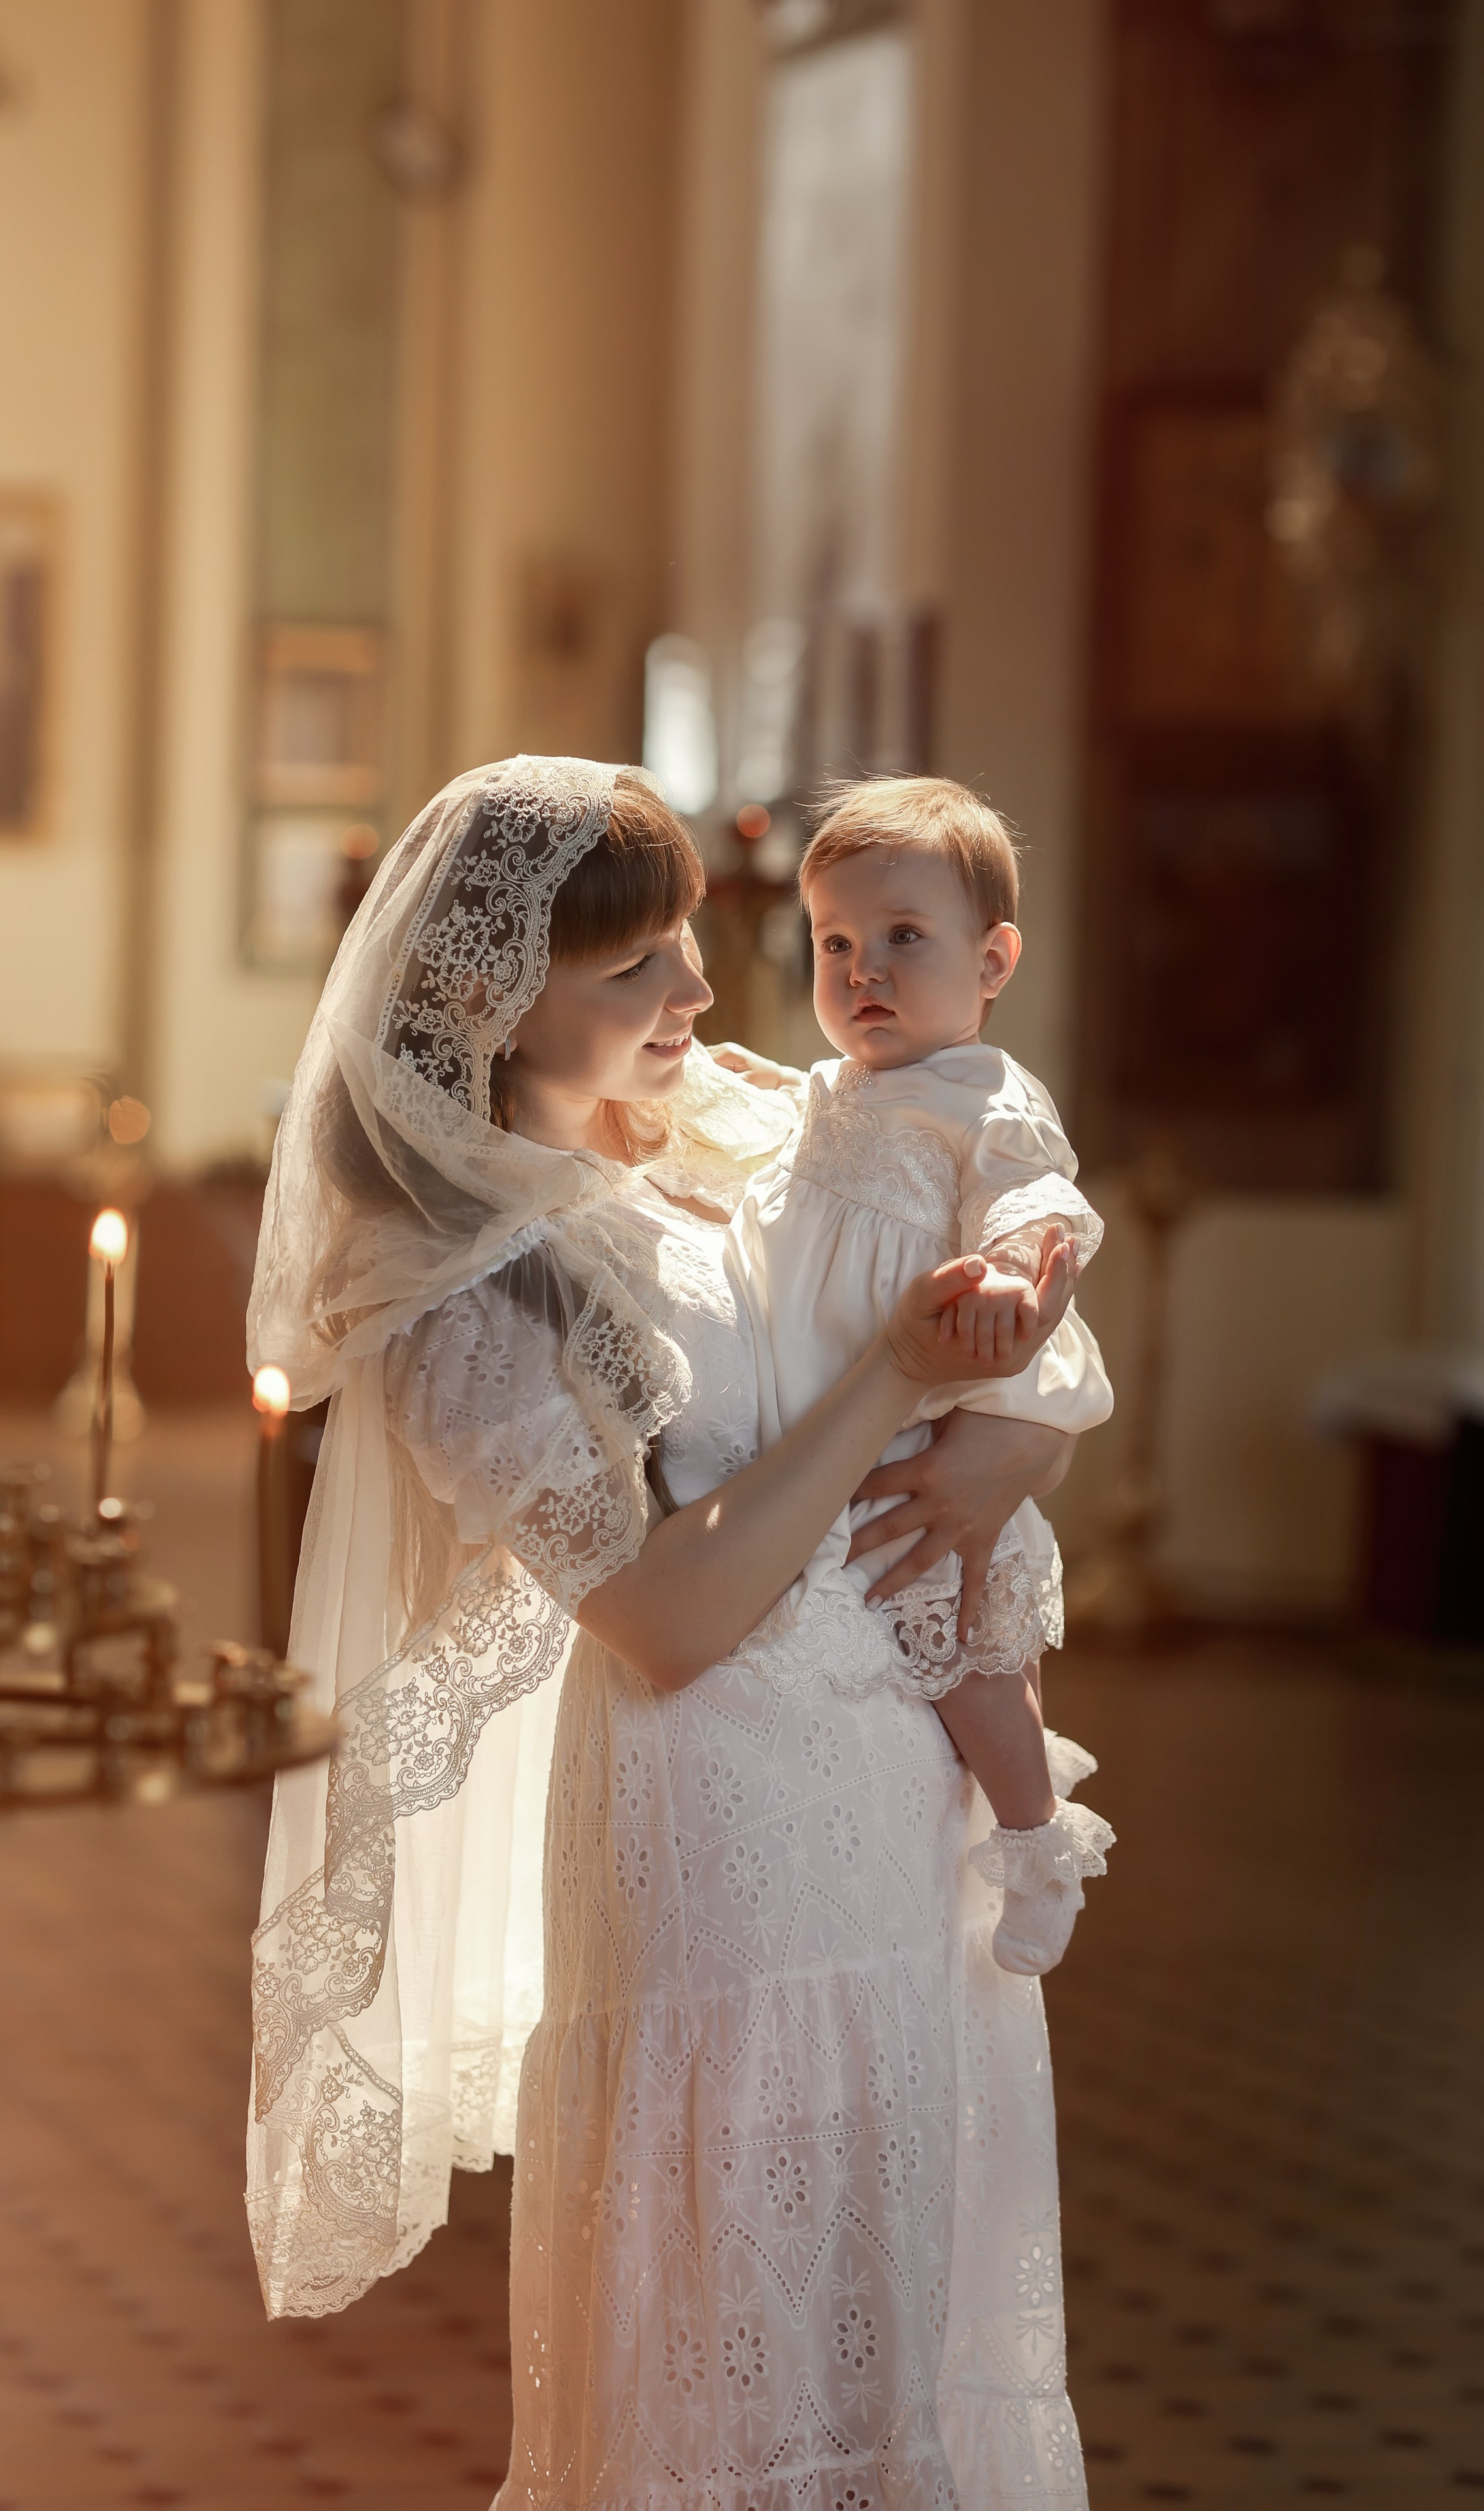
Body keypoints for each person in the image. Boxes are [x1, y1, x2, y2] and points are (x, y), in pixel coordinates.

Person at [246, 755, 1098, 2507]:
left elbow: (979, 1226)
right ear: (497, 995)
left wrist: (1008, 1430)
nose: (704, 999)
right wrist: (898, 1393)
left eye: (694, 948)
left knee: (904, 2314)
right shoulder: (456, 1295)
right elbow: (667, 1617)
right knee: (736, 2351)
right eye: (640, 969)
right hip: (716, 1855)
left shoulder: (717, 1124)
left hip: (890, 1812)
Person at [722, 775, 1116, 1976]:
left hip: (923, 1437)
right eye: (835, 941)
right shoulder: (833, 1089)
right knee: (910, 1661)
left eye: (903, 938)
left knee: (970, 1661)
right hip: (827, 1445)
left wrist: (1005, 1274)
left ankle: (1038, 1839)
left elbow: (1034, 1198)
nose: (861, 971)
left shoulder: (986, 1099)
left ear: (993, 961)